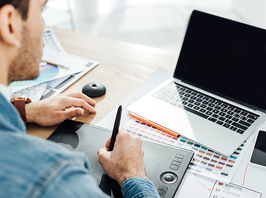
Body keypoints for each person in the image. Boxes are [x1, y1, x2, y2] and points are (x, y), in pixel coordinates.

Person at [0, 0, 159, 197]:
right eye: (41, 10)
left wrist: (26, 111)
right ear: (9, 24)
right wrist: (132, 174)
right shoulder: (54, 179)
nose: (44, 25)